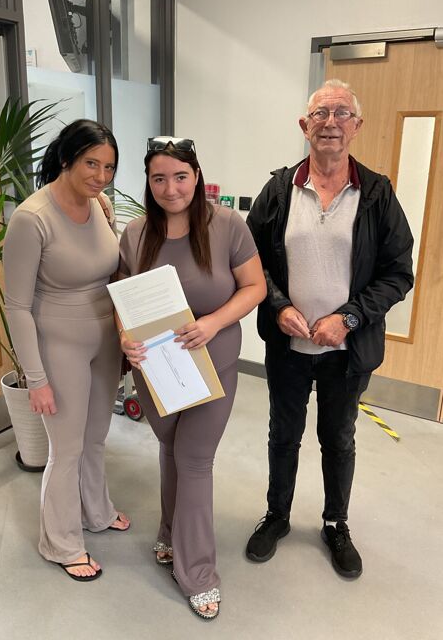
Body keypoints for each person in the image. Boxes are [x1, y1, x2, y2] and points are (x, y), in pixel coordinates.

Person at [245, 80, 414, 578]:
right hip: (288, 347)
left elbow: (398, 273)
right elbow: (249, 261)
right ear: (305, 125)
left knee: (338, 438)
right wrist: (278, 306)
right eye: (321, 113)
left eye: (342, 113)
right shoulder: (280, 189)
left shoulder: (377, 193)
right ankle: (277, 515)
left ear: (356, 126)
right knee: (283, 434)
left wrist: (350, 317)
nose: (331, 122)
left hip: (348, 351)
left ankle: (336, 523)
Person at [119, 137, 266, 619]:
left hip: (211, 362)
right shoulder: (136, 233)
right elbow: (123, 297)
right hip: (156, 368)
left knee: (194, 459)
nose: (170, 188)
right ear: (148, 182)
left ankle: (198, 571)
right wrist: (124, 338)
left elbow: (255, 287)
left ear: (196, 176)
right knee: (170, 449)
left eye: (180, 176)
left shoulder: (227, 225)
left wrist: (213, 322)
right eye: (159, 178)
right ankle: (170, 533)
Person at [4, 119, 130, 582]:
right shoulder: (32, 218)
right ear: (66, 159)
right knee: (67, 447)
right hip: (59, 345)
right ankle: (60, 542)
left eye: (109, 167)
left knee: (96, 436)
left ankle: (96, 511)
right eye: (91, 164)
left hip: (105, 340)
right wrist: (36, 379)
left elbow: (112, 272)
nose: (101, 176)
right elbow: (17, 306)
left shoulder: (102, 205)